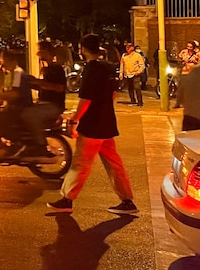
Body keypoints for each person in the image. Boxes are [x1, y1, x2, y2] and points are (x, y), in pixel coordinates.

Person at [47, 34, 138, 215]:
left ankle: (67, 199)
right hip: (107, 123)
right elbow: (114, 95)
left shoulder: (91, 69)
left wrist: (74, 120)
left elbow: (86, 99)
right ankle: (127, 200)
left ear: (83, 49)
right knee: (114, 164)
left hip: (92, 126)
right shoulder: (109, 67)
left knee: (80, 163)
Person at [23, 41, 67, 158]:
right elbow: (42, 87)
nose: (38, 53)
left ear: (48, 52)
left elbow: (59, 88)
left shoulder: (57, 69)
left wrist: (39, 82)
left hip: (53, 106)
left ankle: (41, 146)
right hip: (43, 104)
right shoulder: (44, 69)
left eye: (41, 50)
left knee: (29, 115)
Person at [119, 42, 145, 107]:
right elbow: (122, 65)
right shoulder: (124, 56)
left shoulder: (137, 56)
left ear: (132, 48)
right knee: (130, 88)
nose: (128, 48)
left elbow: (142, 65)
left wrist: (139, 72)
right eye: (127, 47)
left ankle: (140, 102)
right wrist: (121, 73)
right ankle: (132, 100)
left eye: (129, 47)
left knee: (137, 88)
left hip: (135, 74)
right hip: (127, 74)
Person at [177, 65, 200, 131]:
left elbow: (180, 95)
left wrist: (177, 104)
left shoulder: (186, 80)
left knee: (188, 136)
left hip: (189, 115)